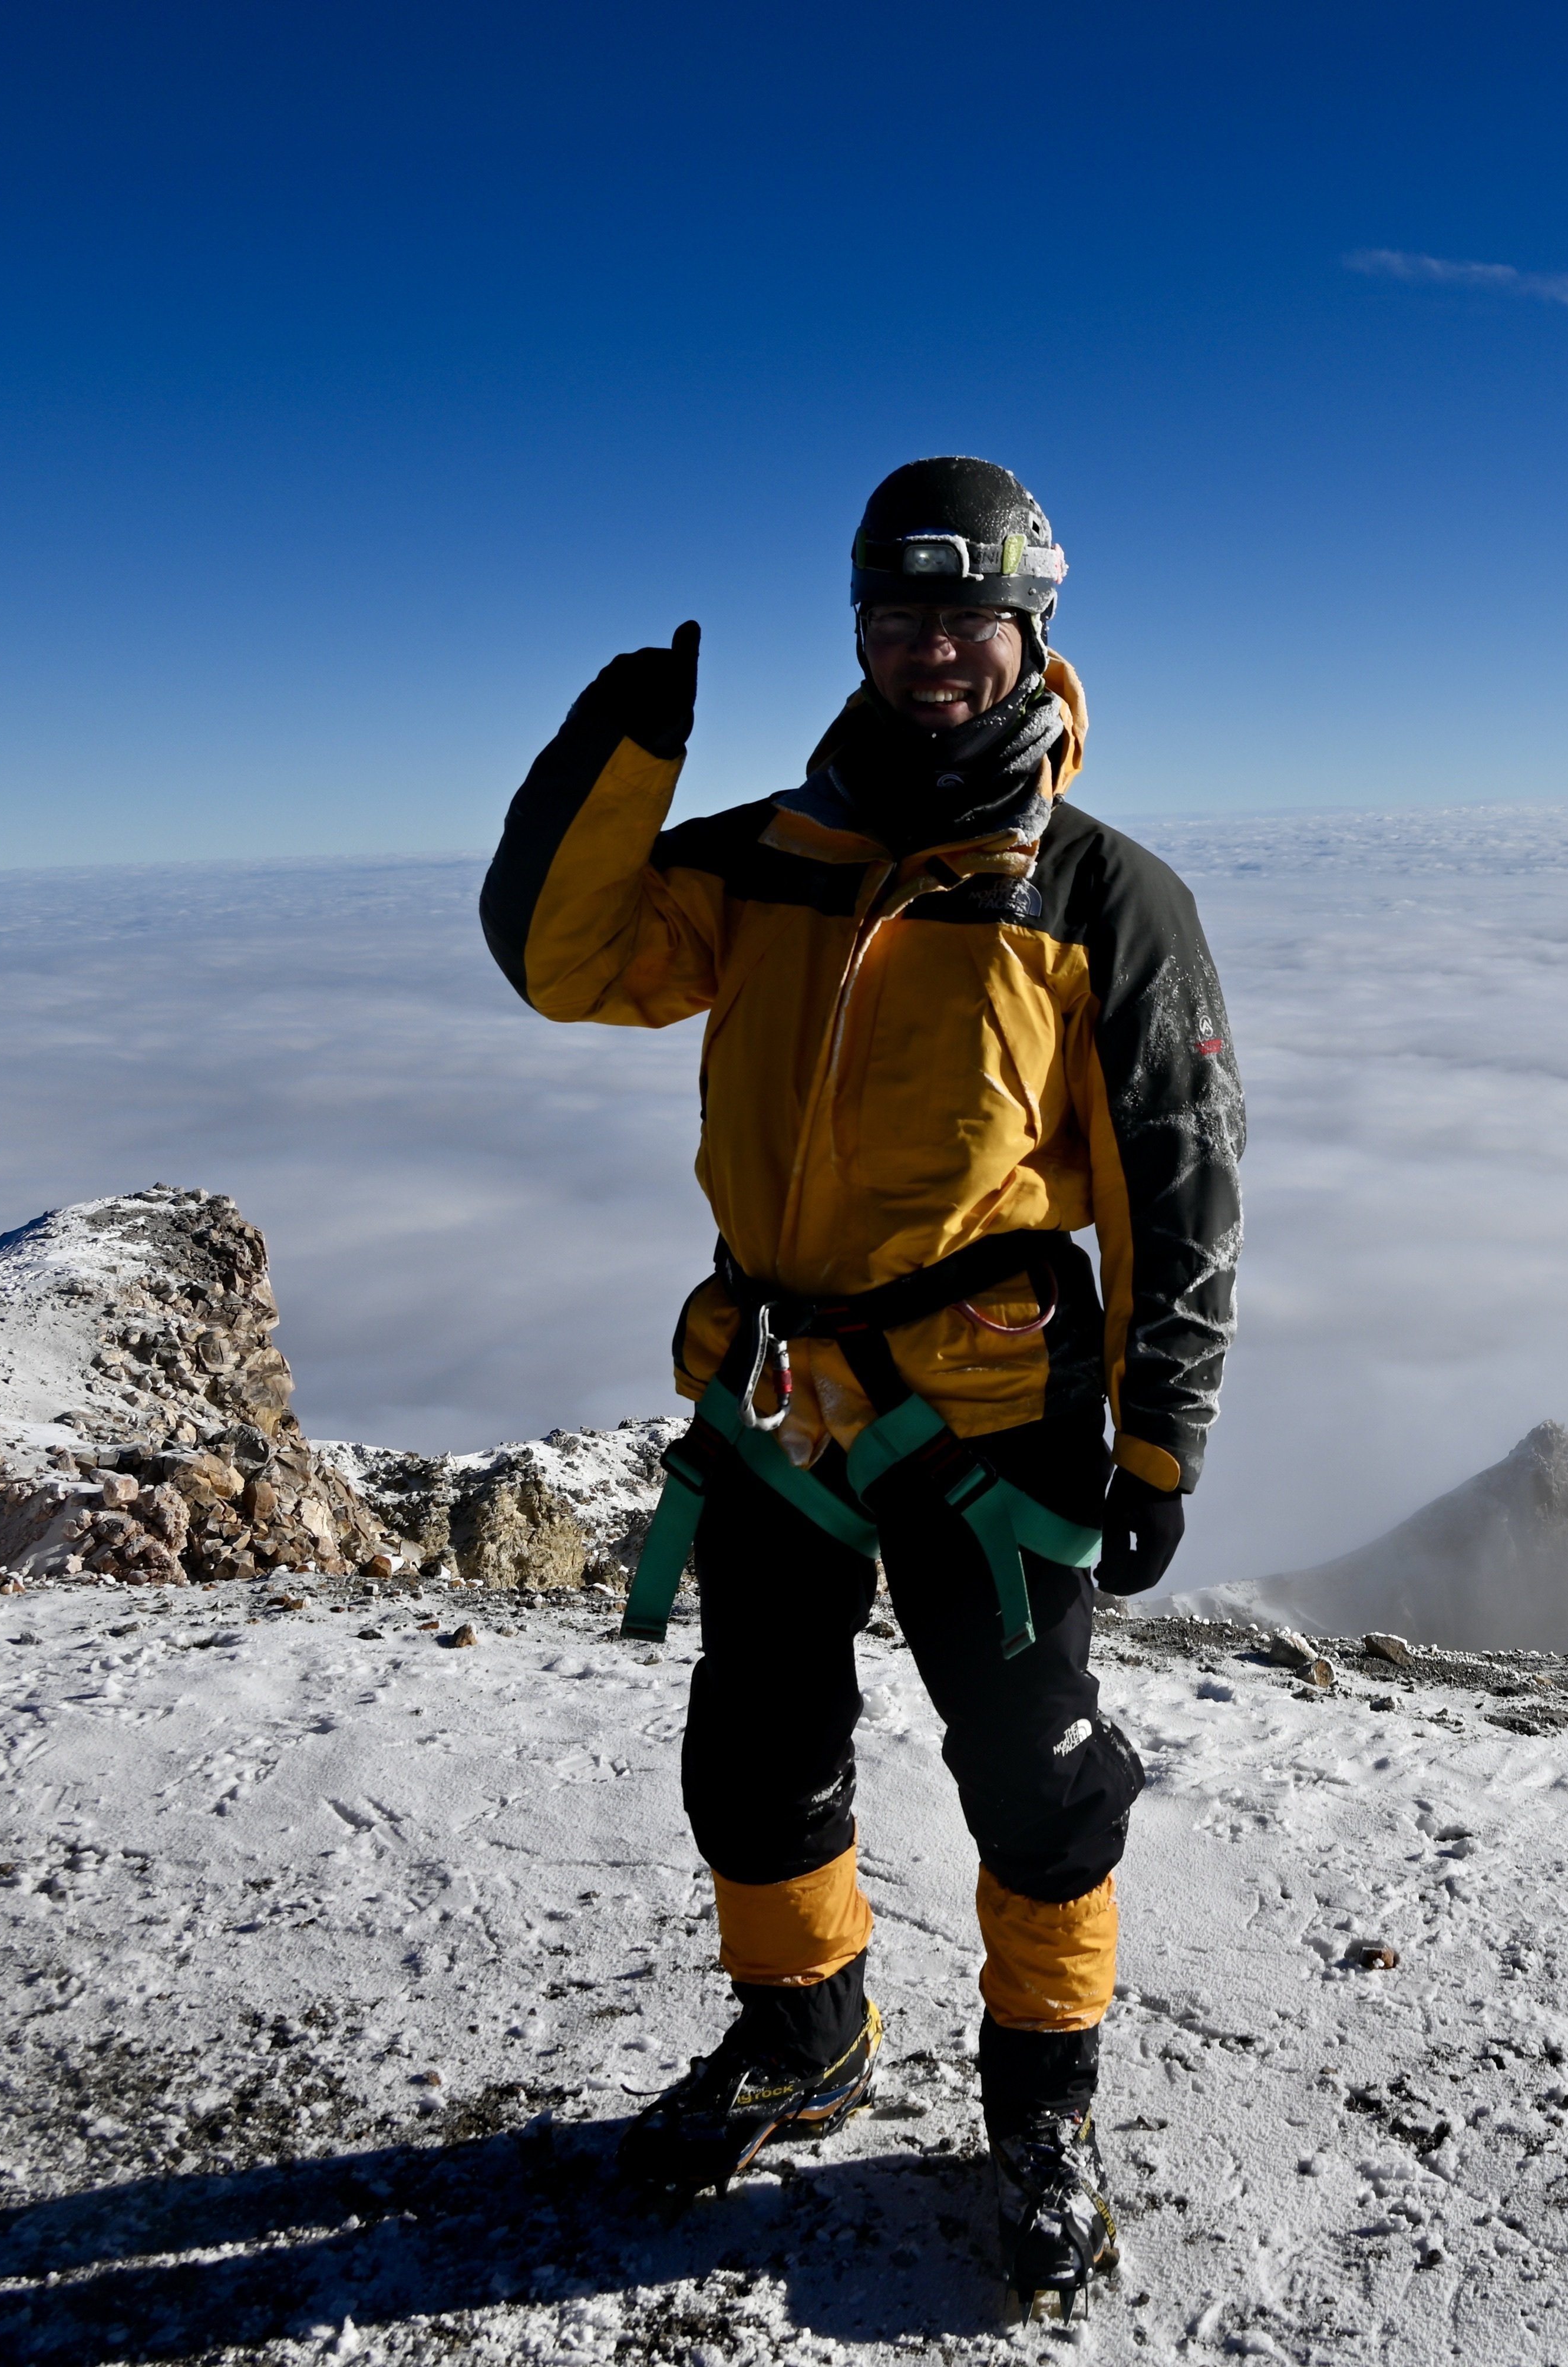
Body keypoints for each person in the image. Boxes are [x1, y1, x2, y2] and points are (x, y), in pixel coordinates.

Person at [477, 457, 1241, 2309]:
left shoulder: (1100, 895)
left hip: (989, 1414)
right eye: (894, 622)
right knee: (751, 1749)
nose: (927, 655)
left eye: (965, 620)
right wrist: (619, 756)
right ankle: (801, 2030)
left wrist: (1158, 1439)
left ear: (1032, 633)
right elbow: (567, 963)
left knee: (1038, 1778)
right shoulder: (761, 858)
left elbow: (1176, 1176)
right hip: (773, 1400)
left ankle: (1042, 2107)